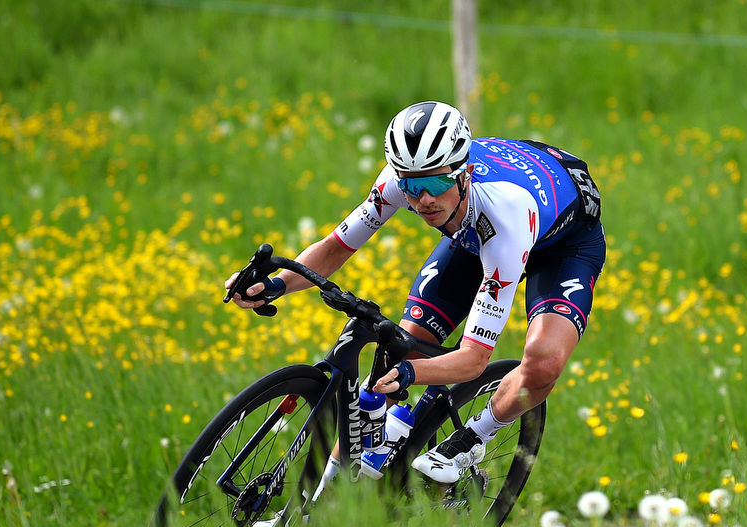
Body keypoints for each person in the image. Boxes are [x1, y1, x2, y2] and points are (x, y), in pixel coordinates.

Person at [226, 101, 604, 484]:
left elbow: (473, 359)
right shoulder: (401, 182)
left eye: (437, 183)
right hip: (472, 230)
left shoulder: (506, 213)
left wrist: (410, 373)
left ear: (464, 173)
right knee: (405, 343)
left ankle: (473, 437)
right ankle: (318, 502)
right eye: (411, 185)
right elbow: (336, 247)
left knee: (543, 362)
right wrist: (273, 285)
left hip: (561, 245)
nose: (423, 199)